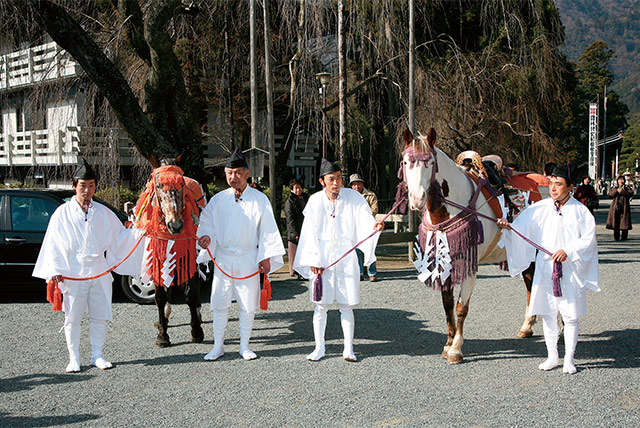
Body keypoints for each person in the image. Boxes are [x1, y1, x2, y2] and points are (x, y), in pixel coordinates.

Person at [32, 159, 142, 373]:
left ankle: (97, 355)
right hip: (73, 270)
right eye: (83, 185)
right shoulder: (62, 213)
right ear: (74, 185)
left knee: (100, 315)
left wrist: (139, 233)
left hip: (99, 269)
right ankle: (74, 358)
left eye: (91, 185)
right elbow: (53, 242)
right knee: (72, 317)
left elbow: (120, 236)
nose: (87, 190)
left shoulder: (103, 212)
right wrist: (55, 269)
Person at [497, 163, 600, 375]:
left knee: (570, 316)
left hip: (570, 269)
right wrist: (509, 227)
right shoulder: (540, 208)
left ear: (570, 187)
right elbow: (521, 227)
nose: (553, 188)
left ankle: (569, 359)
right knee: (547, 312)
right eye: (551, 183)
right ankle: (552, 356)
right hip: (545, 267)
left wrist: (569, 250)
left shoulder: (580, 211)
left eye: (558, 184)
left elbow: (589, 240)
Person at [197, 150, 285, 361]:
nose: (233, 177)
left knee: (247, 304)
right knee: (220, 303)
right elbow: (206, 222)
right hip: (224, 258)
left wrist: (265, 256)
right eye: (229, 173)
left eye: (237, 173)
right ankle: (218, 346)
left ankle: (245, 346)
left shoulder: (259, 199)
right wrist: (207, 237)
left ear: (247, 173)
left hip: (248, 257)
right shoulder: (218, 199)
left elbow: (268, 230)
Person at [293, 160, 384, 362]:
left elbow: (365, 221)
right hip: (322, 257)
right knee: (321, 306)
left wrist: (374, 227)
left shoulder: (354, 197)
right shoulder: (315, 201)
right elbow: (308, 233)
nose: (336, 183)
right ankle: (319, 348)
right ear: (322, 181)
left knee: (346, 305)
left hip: (345, 255)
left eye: (339, 178)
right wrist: (313, 259)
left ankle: (348, 348)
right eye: (331, 179)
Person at [349, 173, 380, 281]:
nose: (356, 187)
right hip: (354, 227)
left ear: (362, 184)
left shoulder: (370, 195)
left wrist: (364, 216)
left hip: (368, 225)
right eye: (354, 185)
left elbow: (374, 209)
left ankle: (372, 273)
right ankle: (360, 273)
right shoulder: (349, 197)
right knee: (357, 250)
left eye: (358, 184)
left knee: (370, 249)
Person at [284, 179, 308, 279]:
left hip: (305, 227)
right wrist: (294, 232)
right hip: (295, 229)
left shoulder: (306, 198)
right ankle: (295, 272)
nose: (298, 190)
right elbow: (290, 218)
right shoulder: (290, 201)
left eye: (299, 187)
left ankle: (304, 270)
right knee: (295, 252)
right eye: (296, 188)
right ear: (292, 190)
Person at [606, 175, 633, 241]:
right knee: (616, 220)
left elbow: (630, 194)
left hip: (624, 206)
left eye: (622, 180)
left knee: (625, 221)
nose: (621, 181)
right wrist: (616, 191)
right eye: (619, 180)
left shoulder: (627, 187)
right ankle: (616, 236)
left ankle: (624, 236)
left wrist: (623, 191)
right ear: (617, 181)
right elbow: (610, 194)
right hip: (615, 206)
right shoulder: (615, 187)